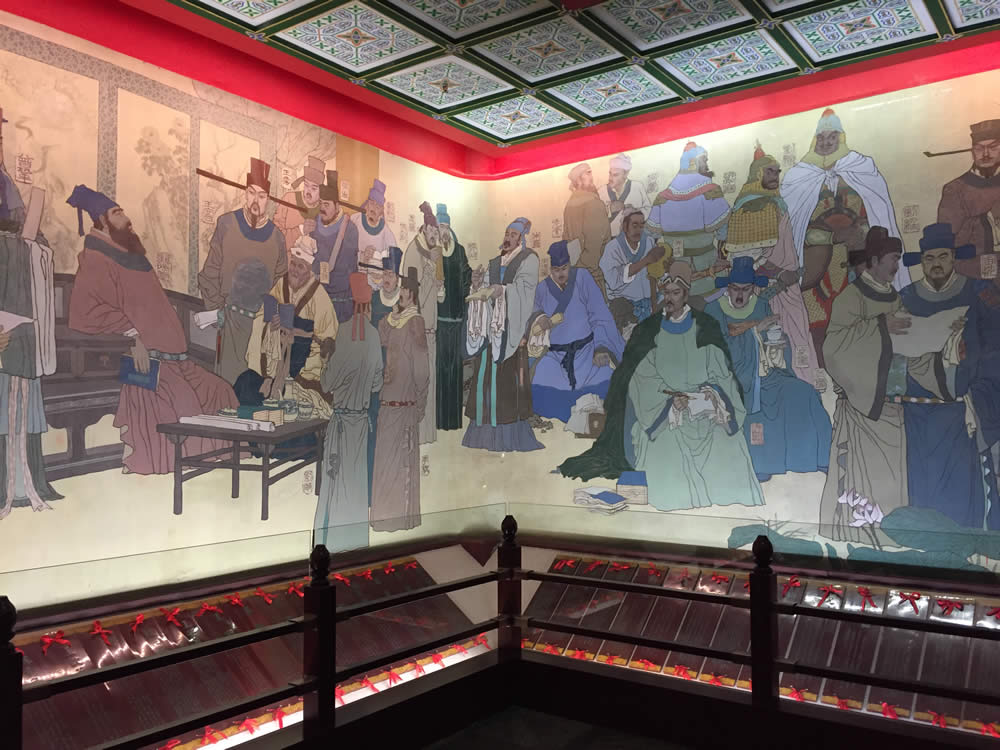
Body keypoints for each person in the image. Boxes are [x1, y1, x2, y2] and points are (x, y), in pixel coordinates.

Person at [561, 260, 764, 511]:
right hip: (665, 416)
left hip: (705, 410)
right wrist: (670, 404)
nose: (669, 298)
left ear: (686, 294)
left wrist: (711, 398)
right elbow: (640, 379)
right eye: (666, 293)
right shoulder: (648, 330)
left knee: (729, 442)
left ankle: (730, 505)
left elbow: (722, 374)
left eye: (675, 293)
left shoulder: (706, 327)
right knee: (669, 446)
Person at [67, 185, 237, 475]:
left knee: (220, 392)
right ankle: (188, 466)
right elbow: (86, 313)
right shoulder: (96, 258)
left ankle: (217, 461)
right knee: (185, 402)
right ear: (102, 221)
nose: (126, 218)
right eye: (117, 213)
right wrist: (133, 337)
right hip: (146, 360)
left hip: (176, 359)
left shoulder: (130, 254)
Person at [818, 228, 949, 541]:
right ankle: (860, 540)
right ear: (874, 261)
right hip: (863, 408)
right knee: (862, 482)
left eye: (899, 259)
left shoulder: (896, 299)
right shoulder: (850, 298)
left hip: (893, 408)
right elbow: (833, 348)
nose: (896, 266)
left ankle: (889, 538)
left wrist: (942, 353)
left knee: (892, 480)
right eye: (893, 259)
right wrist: (880, 328)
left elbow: (910, 349)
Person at [781, 108, 907, 366]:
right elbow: (793, 227)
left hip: (857, 261)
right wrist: (830, 236)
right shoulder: (799, 176)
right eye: (821, 137)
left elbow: (877, 212)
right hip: (816, 264)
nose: (827, 142)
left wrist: (860, 234)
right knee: (817, 326)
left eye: (832, 137)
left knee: (863, 319)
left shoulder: (861, 167)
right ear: (814, 140)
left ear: (841, 137)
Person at [704, 257, 831, 482]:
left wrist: (777, 347)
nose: (740, 295)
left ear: (753, 288)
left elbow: (771, 340)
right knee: (757, 405)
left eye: (746, 289)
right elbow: (716, 350)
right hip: (732, 377)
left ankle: (816, 457)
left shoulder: (760, 305)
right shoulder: (714, 310)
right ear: (728, 288)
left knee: (803, 392)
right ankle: (761, 465)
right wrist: (754, 333)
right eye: (735, 289)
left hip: (765, 373)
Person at [897, 223, 989, 528]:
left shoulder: (978, 292)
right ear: (922, 261)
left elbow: (991, 346)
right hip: (915, 407)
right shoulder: (906, 297)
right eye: (929, 258)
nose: (936, 264)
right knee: (921, 478)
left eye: (943, 256)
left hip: (957, 407)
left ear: (954, 257)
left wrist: (964, 356)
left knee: (959, 481)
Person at [0, 111, 62, 518]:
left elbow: (31, 237)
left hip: (18, 314)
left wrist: (29, 245)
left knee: (20, 396)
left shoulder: (9, 186)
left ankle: (24, 485)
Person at [726, 142, 818, 386]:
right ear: (757, 174)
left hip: (787, 284)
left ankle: (804, 388)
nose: (775, 176)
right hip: (769, 288)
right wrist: (780, 275)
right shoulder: (754, 206)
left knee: (797, 334)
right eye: (770, 171)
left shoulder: (774, 202)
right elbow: (747, 257)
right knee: (778, 341)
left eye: (777, 171)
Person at [199, 157, 288, 385]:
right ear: (245, 194)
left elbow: (281, 285)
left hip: (261, 326)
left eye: (262, 196)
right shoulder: (227, 223)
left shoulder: (277, 238)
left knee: (257, 387)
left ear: (268, 200)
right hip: (230, 320)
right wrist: (218, 310)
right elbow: (209, 272)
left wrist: (274, 319)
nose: (255, 201)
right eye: (251, 193)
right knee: (228, 385)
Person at [314, 272, 383, 553]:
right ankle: (354, 544)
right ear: (368, 306)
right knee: (355, 484)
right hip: (360, 422)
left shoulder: (342, 333)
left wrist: (326, 360)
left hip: (341, 421)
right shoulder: (374, 335)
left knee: (334, 484)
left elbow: (327, 383)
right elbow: (376, 383)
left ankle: (329, 545)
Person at [236, 235, 338, 421]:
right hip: (273, 364)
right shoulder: (280, 285)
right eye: (293, 264)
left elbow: (327, 343)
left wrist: (300, 336)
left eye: (301, 266)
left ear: (309, 269)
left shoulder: (320, 297)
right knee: (245, 383)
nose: (295, 270)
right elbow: (261, 318)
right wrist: (271, 326)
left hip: (302, 371)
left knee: (284, 398)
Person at [463, 217, 543, 452]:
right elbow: (485, 291)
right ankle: (481, 435)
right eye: (507, 233)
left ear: (521, 239)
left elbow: (526, 291)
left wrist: (504, 291)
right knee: (485, 379)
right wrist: (477, 284)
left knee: (508, 385)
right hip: (492, 330)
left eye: (513, 234)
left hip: (511, 332)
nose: (508, 238)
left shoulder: (528, 259)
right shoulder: (495, 262)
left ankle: (508, 438)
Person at [529, 241, 624, 423]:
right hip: (556, 356)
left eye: (564, 268)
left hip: (586, 352)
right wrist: (539, 317)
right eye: (556, 269)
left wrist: (600, 348)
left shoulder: (583, 278)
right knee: (542, 376)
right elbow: (532, 309)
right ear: (550, 269)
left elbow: (599, 315)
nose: (561, 273)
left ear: (570, 265)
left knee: (605, 378)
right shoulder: (542, 288)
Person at [371, 267, 429, 532]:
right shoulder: (396, 319)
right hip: (387, 404)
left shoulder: (415, 322)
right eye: (401, 289)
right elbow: (381, 336)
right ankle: (383, 519)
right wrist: (392, 314)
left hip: (405, 405)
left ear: (413, 294)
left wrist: (420, 404)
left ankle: (400, 520)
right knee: (384, 464)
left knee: (400, 465)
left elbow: (422, 370)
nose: (401, 293)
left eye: (405, 290)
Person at [646, 142, 730, 307]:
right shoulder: (710, 192)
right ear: (697, 163)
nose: (707, 165)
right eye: (705, 161)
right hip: (706, 270)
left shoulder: (662, 198)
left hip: (673, 272)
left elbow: (652, 236)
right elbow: (723, 233)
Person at [403, 201, 444, 444]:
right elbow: (411, 296)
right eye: (432, 231)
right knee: (417, 382)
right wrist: (431, 280)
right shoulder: (414, 252)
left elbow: (439, 296)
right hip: (417, 331)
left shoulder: (431, 253)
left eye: (437, 233)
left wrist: (439, 284)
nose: (435, 236)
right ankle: (415, 435)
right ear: (424, 229)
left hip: (430, 330)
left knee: (429, 381)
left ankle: (426, 435)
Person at [366, 246, 402, 506]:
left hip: (397, 369)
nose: (387, 279)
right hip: (376, 366)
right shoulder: (373, 299)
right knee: (374, 424)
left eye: (391, 275)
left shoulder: (404, 301)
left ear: (398, 278)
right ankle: (371, 488)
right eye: (385, 274)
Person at [937, 119, 1000, 261]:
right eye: (979, 148)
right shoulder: (955, 189)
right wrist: (988, 219)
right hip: (974, 266)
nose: (985, 154)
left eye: (993, 147)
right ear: (972, 152)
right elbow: (944, 242)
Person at [435, 203, 472, 431]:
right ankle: (440, 420)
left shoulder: (459, 251)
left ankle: (454, 420)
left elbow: (466, 276)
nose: (444, 232)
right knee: (441, 369)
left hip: (457, 320)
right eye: (440, 227)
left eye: (447, 227)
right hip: (440, 321)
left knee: (455, 369)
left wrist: (471, 282)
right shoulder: (433, 252)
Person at [310, 170, 360, 324]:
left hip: (340, 300)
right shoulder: (315, 223)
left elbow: (343, 267)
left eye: (326, 204)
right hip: (317, 295)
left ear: (337, 206)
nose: (322, 208)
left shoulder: (349, 229)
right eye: (320, 204)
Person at [600, 207, 666, 323]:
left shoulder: (649, 242)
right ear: (625, 227)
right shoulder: (612, 248)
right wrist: (645, 260)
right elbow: (613, 281)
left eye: (641, 226)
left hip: (650, 300)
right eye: (634, 226)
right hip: (626, 306)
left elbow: (655, 272)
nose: (638, 230)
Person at [564, 163, 612, 296]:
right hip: (591, 272)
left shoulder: (570, 204)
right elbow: (594, 244)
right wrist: (586, 268)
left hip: (576, 270)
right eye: (588, 173)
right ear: (579, 180)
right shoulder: (593, 203)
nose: (592, 177)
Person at [351, 178, 398, 290]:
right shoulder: (354, 221)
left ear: (381, 211)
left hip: (375, 286)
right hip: (354, 282)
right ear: (367, 204)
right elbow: (345, 252)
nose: (373, 209)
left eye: (377, 207)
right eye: (372, 203)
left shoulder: (387, 234)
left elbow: (393, 264)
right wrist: (362, 257)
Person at [273, 156, 325, 250]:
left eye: (314, 188)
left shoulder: (323, 209)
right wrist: (301, 230)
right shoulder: (289, 199)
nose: (308, 191)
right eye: (306, 185)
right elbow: (275, 238)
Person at [598, 153, 652, 237]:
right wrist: (609, 210)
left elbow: (648, 209)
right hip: (608, 238)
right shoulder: (601, 191)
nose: (610, 178)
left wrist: (634, 212)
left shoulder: (637, 187)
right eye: (610, 174)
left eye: (615, 175)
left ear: (625, 174)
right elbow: (594, 218)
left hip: (632, 237)